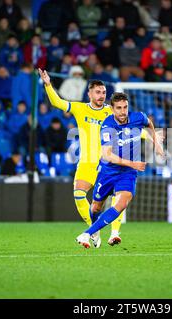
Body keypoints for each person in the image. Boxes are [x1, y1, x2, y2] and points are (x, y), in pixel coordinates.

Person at [38, 69, 160, 246]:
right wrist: (48, 84)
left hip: (109, 162)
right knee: (79, 194)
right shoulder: (80, 108)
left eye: (103, 92)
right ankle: (94, 231)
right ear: (89, 93)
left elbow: (130, 129)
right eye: (98, 92)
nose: (101, 95)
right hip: (87, 162)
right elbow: (57, 102)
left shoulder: (111, 113)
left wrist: (150, 137)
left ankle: (115, 232)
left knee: (117, 198)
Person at [75, 92, 163, 248]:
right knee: (96, 207)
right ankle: (95, 231)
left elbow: (149, 123)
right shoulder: (108, 126)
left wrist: (156, 143)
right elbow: (108, 155)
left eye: (125, 107)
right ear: (112, 109)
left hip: (127, 174)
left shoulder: (138, 117)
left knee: (121, 203)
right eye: (119, 108)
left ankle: (86, 234)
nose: (123, 112)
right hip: (108, 171)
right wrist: (133, 164)